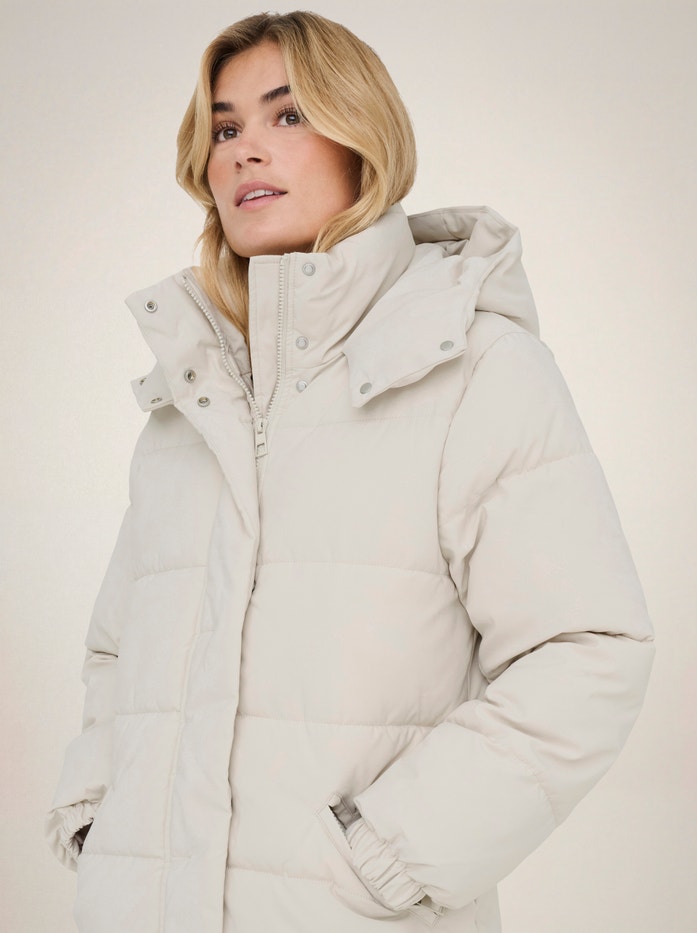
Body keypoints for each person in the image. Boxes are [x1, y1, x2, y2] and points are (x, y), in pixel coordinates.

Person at [45, 11, 654, 933]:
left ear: (363, 141)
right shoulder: (190, 398)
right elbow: (118, 652)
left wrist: (391, 852)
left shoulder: (473, 369)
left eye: (287, 115)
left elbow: (588, 648)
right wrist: (103, 814)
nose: (246, 149)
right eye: (225, 127)